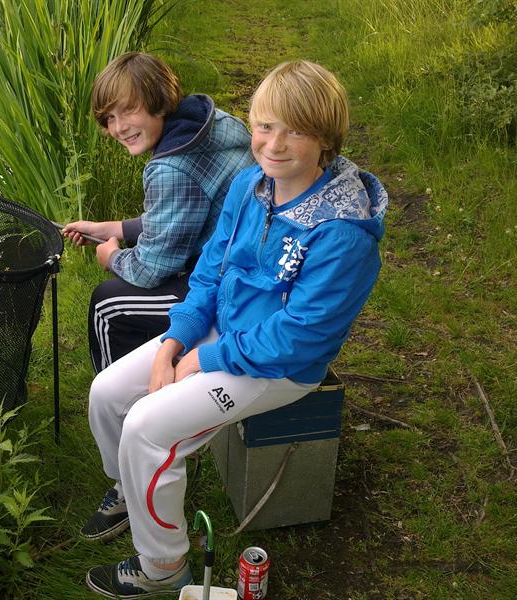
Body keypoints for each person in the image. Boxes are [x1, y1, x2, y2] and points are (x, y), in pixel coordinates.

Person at [81, 59, 389, 598]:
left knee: (148, 429)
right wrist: (175, 341)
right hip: (222, 331)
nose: (274, 144)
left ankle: (162, 567)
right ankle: (131, 488)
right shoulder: (251, 185)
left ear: (326, 138)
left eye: (296, 130)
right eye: (265, 126)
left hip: (280, 368)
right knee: (106, 392)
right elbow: (209, 272)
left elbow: (300, 336)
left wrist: (204, 359)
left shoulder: (342, 234)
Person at [63, 52, 254, 374]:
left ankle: (123, 396)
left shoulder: (170, 168)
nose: (119, 128)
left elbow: (151, 269)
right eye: (109, 118)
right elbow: (186, 213)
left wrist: (112, 257)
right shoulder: (210, 123)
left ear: (159, 100)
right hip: (248, 261)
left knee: (108, 304)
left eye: (128, 110)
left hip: (228, 285)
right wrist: (113, 228)